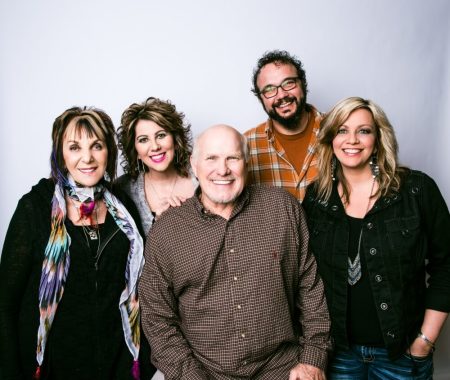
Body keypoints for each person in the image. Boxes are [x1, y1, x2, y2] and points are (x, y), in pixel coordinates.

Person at [139, 124, 332, 380]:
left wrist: (313, 359)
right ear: (194, 165)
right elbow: (157, 319)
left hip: (282, 369)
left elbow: (311, 289)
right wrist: (190, 376)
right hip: (204, 372)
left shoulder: (282, 208)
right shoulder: (167, 231)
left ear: (247, 163)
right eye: (212, 158)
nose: (223, 169)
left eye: (232, 158)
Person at [0, 107, 156, 379]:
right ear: (60, 154)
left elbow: (143, 292)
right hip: (48, 370)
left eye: (97, 146)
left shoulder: (124, 211)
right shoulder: (34, 209)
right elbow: (5, 305)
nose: (88, 158)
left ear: (108, 152)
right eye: (74, 147)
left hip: (115, 370)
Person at [303, 97, 450, 379]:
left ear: (378, 137)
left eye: (364, 130)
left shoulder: (416, 191)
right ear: (330, 139)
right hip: (338, 355)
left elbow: (447, 265)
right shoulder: (316, 199)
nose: (352, 140)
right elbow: (304, 277)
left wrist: (424, 341)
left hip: (401, 354)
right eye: (342, 130)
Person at [244, 50, 322, 202]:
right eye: (269, 89)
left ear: (303, 84)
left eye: (288, 83)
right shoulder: (245, 144)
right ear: (261, 99)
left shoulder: (339, 130)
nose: (281, 95)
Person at [116, 97, 197, 236]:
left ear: (175, 140)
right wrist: (159, 224)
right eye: (143, 140)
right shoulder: (123, 190)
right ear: (135, 151)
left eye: (161, 135)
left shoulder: (202, 175)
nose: (155, 146)